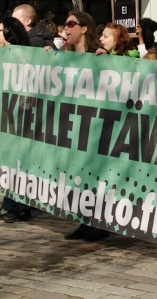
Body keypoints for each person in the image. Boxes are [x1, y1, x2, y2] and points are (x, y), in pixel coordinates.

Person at [60, 12, 109, 243]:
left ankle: (98, 224)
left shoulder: (97, 56)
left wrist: (107, 59)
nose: (66, 28)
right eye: (65, 24)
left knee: (94, 175)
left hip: (95, 125)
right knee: (77, 175)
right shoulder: (65, 57)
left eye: (71, 24)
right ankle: (84, 221)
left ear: (84, 29)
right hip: (73, 124)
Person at [0, 17, 33, 224]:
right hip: (6, 116)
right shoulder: (4, 54)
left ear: (10, 34)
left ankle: (21, 206)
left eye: (0, 30)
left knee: (17, 162)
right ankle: (9, 205)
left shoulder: (20, 56)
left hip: (19, 117)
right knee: (8, 162)